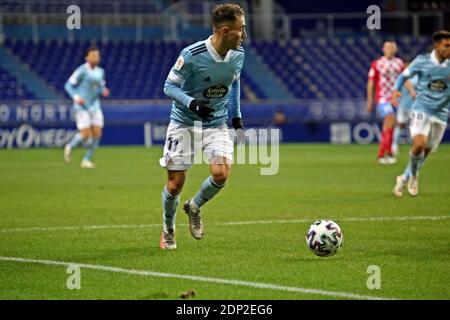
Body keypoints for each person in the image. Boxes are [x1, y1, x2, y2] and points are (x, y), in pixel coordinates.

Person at [159, 3, 246, 249]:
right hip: (184, 122)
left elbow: (234, 83)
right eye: (241, 29)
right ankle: (168, 229)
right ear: (226, 31)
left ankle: (194, 206)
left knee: (221, 174)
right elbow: (169, 86)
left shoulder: (239, 54)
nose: (244, 34)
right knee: (175, 185)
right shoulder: (192, 54)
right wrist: (193, 104)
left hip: (215, 123)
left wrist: (236, 117)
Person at [392, 30, 450, 197]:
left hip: (441, 114)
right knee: (419, 144)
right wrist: (396, 90)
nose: (449, 49)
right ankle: (415, 176)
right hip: (422, 109)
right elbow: (403, 76)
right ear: (437, 46)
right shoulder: (422, 61)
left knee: (425, 153)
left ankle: (403, 177)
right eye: (446, 45)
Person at [63, 46, 110, 169]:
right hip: (82, 106)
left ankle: (86, 159)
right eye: (93, 55)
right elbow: (68, 85)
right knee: (85, 135)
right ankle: (69, 146)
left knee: (97, 134)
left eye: (97, 55)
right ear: (87, 57)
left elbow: (99, 86)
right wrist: (76, 97)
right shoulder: (82, 70)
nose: (96, 57)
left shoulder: (101, 71)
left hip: (95, 106)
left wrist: (103, 90)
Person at [367, 41, 404, 164]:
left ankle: (387, 153)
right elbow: (371, 82)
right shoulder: (377, 64)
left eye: (392, 47)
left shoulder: (399, 63)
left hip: (395, 99)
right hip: (382, 98)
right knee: (390, 118)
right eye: (388, 47)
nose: (390, 49)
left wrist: (412, 92)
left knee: (390, 125)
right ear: (383, 49)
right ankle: (382, 154)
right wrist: (370, 100)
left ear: (395, 49)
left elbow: (405, 78)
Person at [391, 62, 418, 156]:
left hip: (415, 106)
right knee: (400, 125)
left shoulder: (416, 77)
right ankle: (394, 146)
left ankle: (415, 147)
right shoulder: (403, 78)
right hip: (404, 105)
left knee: (415, 127)